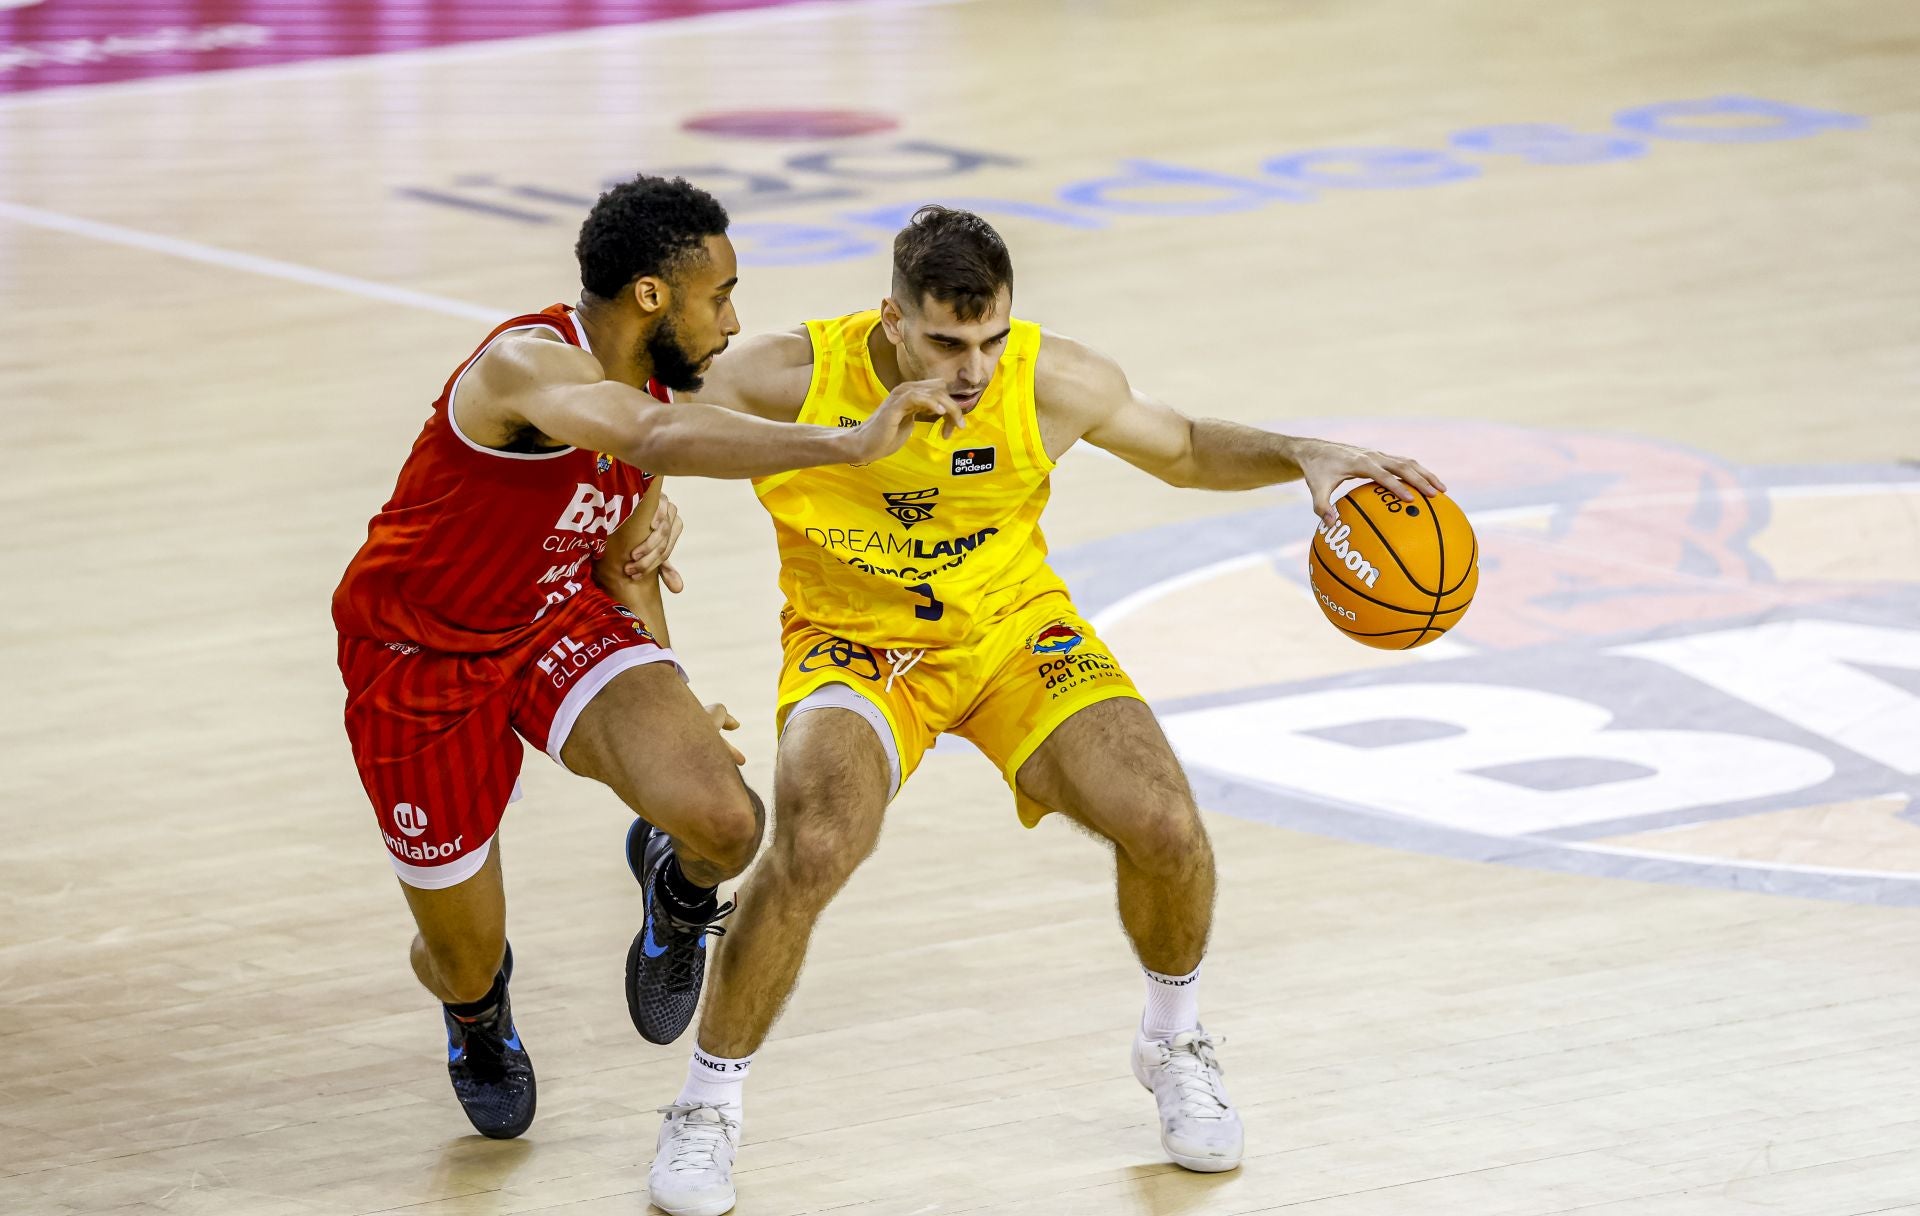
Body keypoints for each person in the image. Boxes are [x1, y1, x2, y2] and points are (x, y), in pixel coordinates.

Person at [609, 204, 1446, 1215]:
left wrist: (1302, 450)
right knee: (820, 840)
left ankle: (1172, 1039)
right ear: (892, 319)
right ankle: (705, 1110)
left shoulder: (1053, 380)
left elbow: (1179, 445)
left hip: (1013, 634)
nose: (973, 369)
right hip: (858, 644)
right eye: (948, 341)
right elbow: (633, 411)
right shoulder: (787, 376)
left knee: (1165, 822)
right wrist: (645, 488)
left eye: (992, 339)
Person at [330, 177, 966, 1141]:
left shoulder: (662, 388)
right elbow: (649, 432)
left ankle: (671, 884)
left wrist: (665, 681)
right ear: (652, 297)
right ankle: (476, 1013)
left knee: (727, 822)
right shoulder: (522, 368)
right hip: (419, 657)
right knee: (461, 954)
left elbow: (626, 554)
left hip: (550, 619)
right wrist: (845, 442)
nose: (735, 317)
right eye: (721, 294)